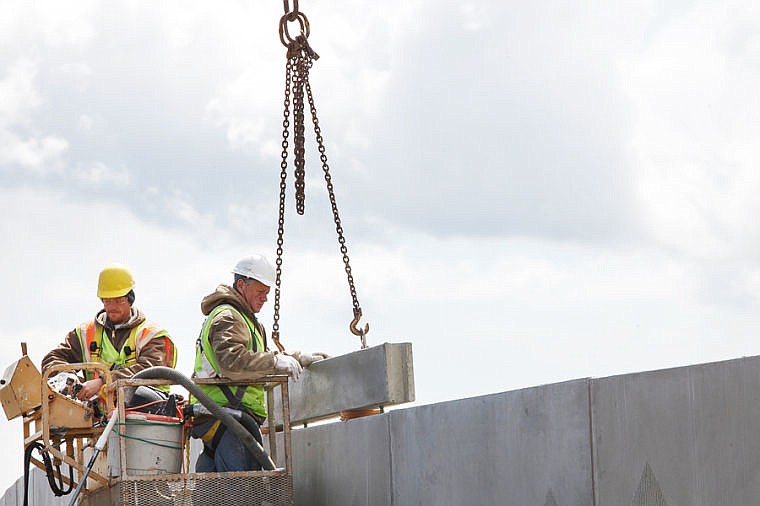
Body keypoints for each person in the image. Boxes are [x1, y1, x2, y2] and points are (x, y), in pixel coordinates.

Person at [192, 254, 327, 472]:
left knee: (215, 495)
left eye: (267, 292)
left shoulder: (246, 320)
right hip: (229, 416)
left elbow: (256, 358)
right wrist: (275, 362)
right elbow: (232, 362)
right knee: (241, 493)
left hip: (226, 418)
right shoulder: (228, 316)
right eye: (260, 291)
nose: (265, 298)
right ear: (241, 285)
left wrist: (294, 358)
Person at [42, 263, 177, 401]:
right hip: (97, 417)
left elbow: (152, 371)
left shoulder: (152, 335)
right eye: (107, 301)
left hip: (145, 414)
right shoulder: (85, 333)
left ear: (130, 300)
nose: (112, 307)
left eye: (118, 300)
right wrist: (68, 378)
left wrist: (104, 381)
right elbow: (52, 359)